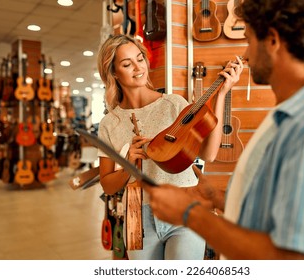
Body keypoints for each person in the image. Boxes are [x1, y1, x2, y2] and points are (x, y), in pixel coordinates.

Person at [142, 0, 304, 260]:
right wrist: (215, 196)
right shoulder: (288, 119)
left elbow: (299, 261)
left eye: (248, 40)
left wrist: (190, 215)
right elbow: (274, 215)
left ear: (272, 40)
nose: (247, 55)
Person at [96, 34, 243, 260]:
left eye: (140, 59)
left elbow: (209, 153)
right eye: (127, 64)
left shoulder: (173, 104)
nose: (138, 67)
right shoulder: (109, 123)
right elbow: (107, 185)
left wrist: (222, 93)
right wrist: (129, 167)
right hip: (139, 214)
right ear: (113, 72)